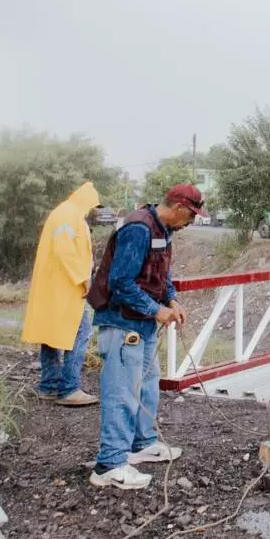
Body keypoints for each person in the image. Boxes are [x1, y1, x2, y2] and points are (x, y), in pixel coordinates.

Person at [85, 184, 200, 490]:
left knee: (147, 383)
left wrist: (171, 300)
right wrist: (156, 309)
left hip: (144, 321)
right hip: (123, 322)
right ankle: (109, 464)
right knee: (122, 390)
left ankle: (141, 443)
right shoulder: (138, 228)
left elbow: (163, 275)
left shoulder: (164, 229)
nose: (190, 223)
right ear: (178, 207)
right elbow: (120, 281)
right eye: (190, 216)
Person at [21, 182, 102, 407]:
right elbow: (64, 249)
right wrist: (83, 279)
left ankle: (49, 386)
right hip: (65, 287)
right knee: (81, 333)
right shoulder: (68, 215)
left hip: (55, 286)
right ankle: (69, 389)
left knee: (51, 335)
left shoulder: (65, 212)